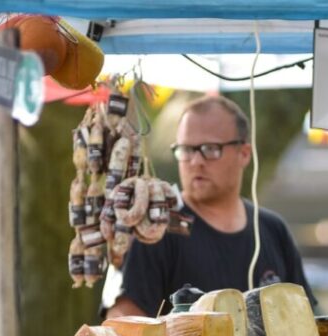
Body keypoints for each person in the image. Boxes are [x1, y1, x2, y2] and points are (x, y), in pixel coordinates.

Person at [106, 95, 315, 318]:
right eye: (186, 149)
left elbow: (305, 320)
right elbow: (122, 323)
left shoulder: (272, 229)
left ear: (244, 153)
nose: (196, 161)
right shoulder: (155, 229)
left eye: (210, 148)